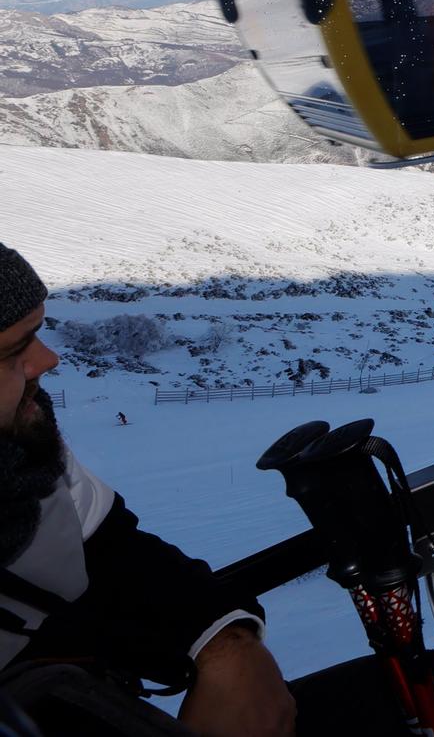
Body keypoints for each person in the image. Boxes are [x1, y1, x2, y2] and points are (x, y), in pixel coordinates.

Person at [0, 243, 295, 737]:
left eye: (39, 334)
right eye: (13, 351)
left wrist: (225, 641)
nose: (47, 360)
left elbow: (109, 547)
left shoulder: (24, 451)